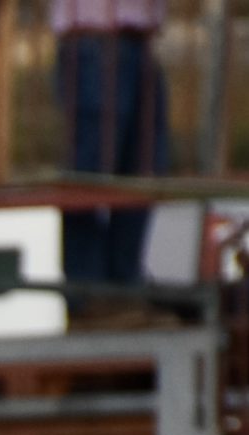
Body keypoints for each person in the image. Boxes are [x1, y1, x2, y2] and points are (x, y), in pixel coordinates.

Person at [54, 0, 169, 317]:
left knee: (143, 169)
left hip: (135, 39)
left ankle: (122, 287)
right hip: (95, 36)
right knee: (91, 169)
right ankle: (91, 294)